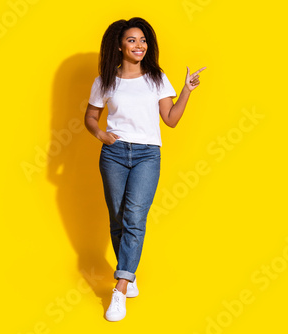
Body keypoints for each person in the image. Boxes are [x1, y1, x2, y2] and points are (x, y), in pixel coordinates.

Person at [84, 17, 205, 322]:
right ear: (119, 45)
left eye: (143, 40)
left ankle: (121, 287)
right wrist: (100, 134)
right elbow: (90, 117)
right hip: (113, 154)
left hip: (147, 155)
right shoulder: (105, 81)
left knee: (134, 216)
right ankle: (130, 273)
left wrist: (187, 91)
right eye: (132, 40)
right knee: (117, 216)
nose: (139, 46)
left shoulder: (156, 78)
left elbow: (171, 119)